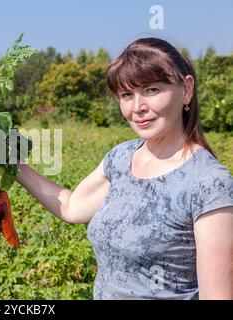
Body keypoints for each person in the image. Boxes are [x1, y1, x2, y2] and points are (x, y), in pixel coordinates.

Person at [15, 38, 233, 300]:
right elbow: (72, 206)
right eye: (127, 95)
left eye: (152, 90)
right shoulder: (121, 158)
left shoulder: (208, 182)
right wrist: (13, 165)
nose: (137, 108)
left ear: (186, 90)